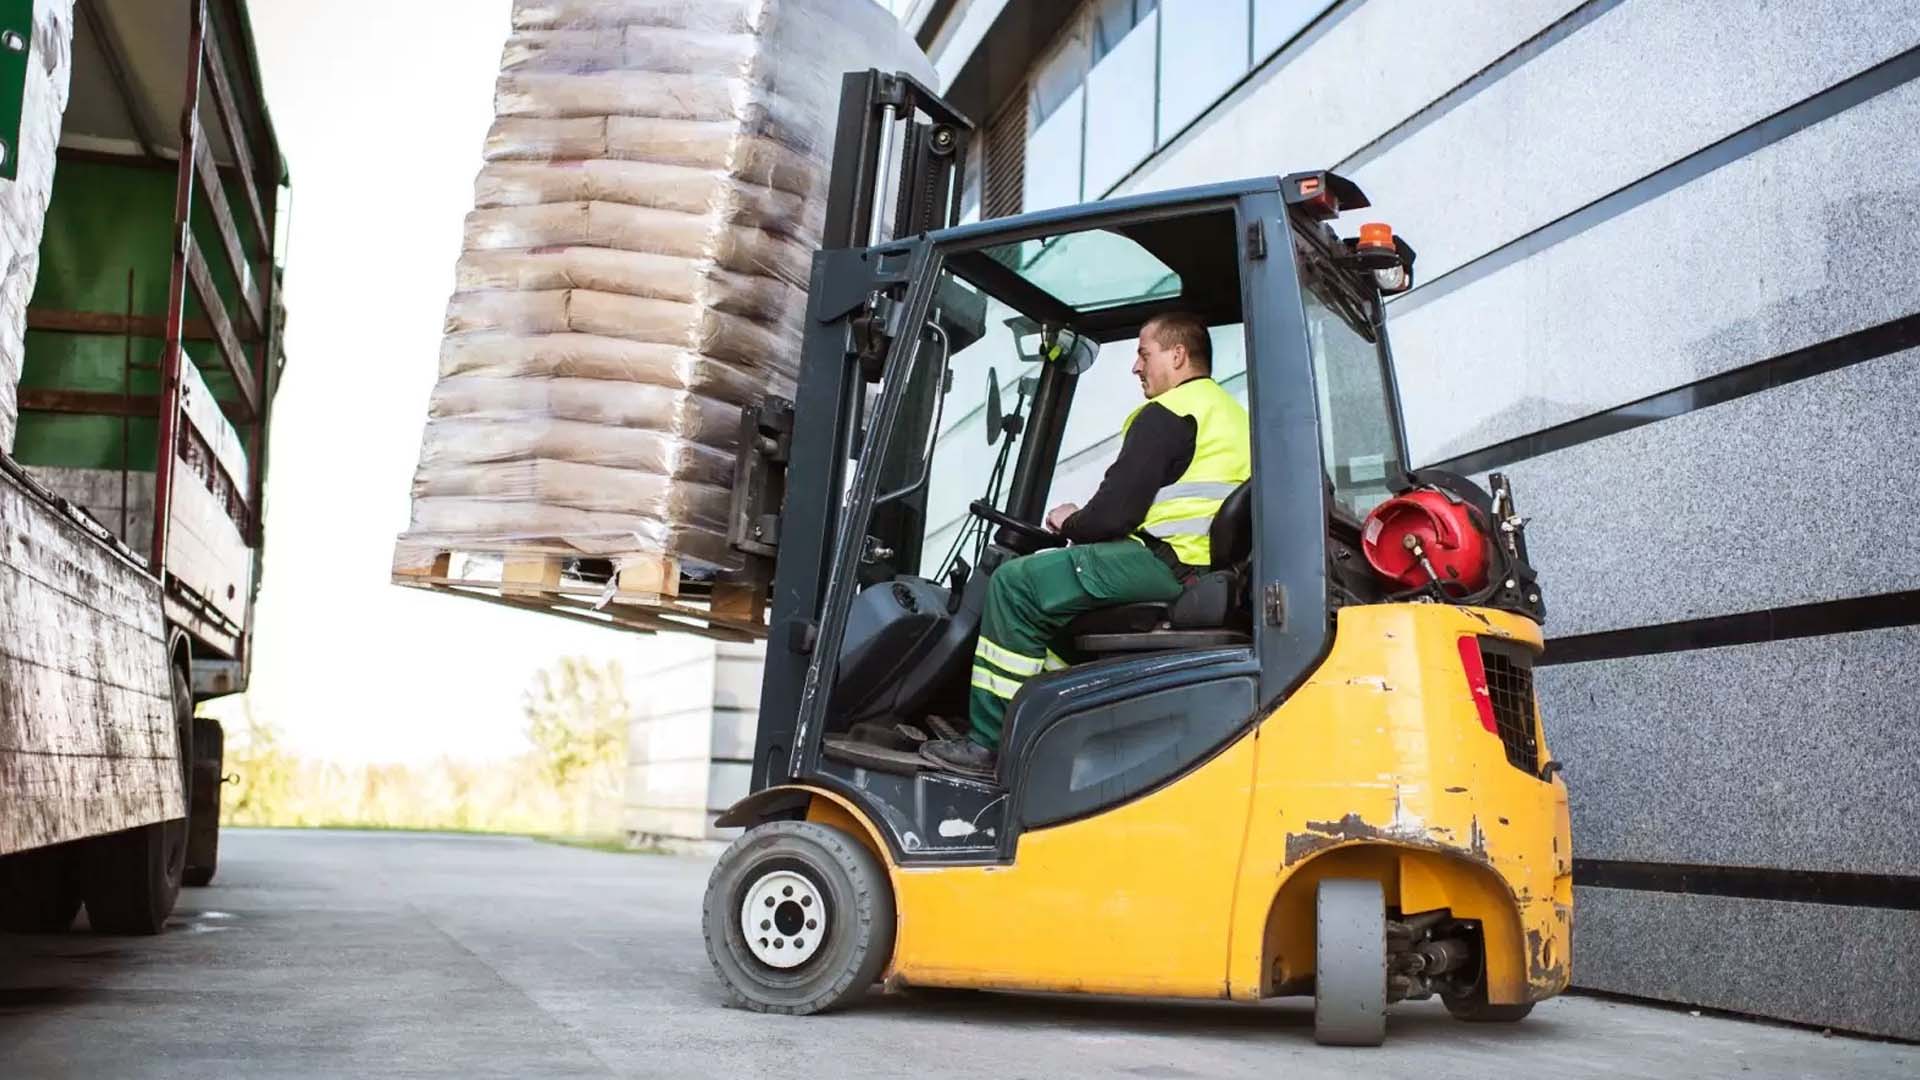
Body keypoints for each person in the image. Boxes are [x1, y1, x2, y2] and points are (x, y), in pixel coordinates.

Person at [921, 311, 1252, 779]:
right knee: (1056, 620)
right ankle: (1045, 721)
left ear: (1177, 356)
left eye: (1143, 353)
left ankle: (988, 745)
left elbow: (1114, 515)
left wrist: (1069, 519)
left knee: (1016, 585)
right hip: (1199, 569)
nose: (1136, 367)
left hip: (1166, 562)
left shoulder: (1171, 413)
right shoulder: (1233, 415)